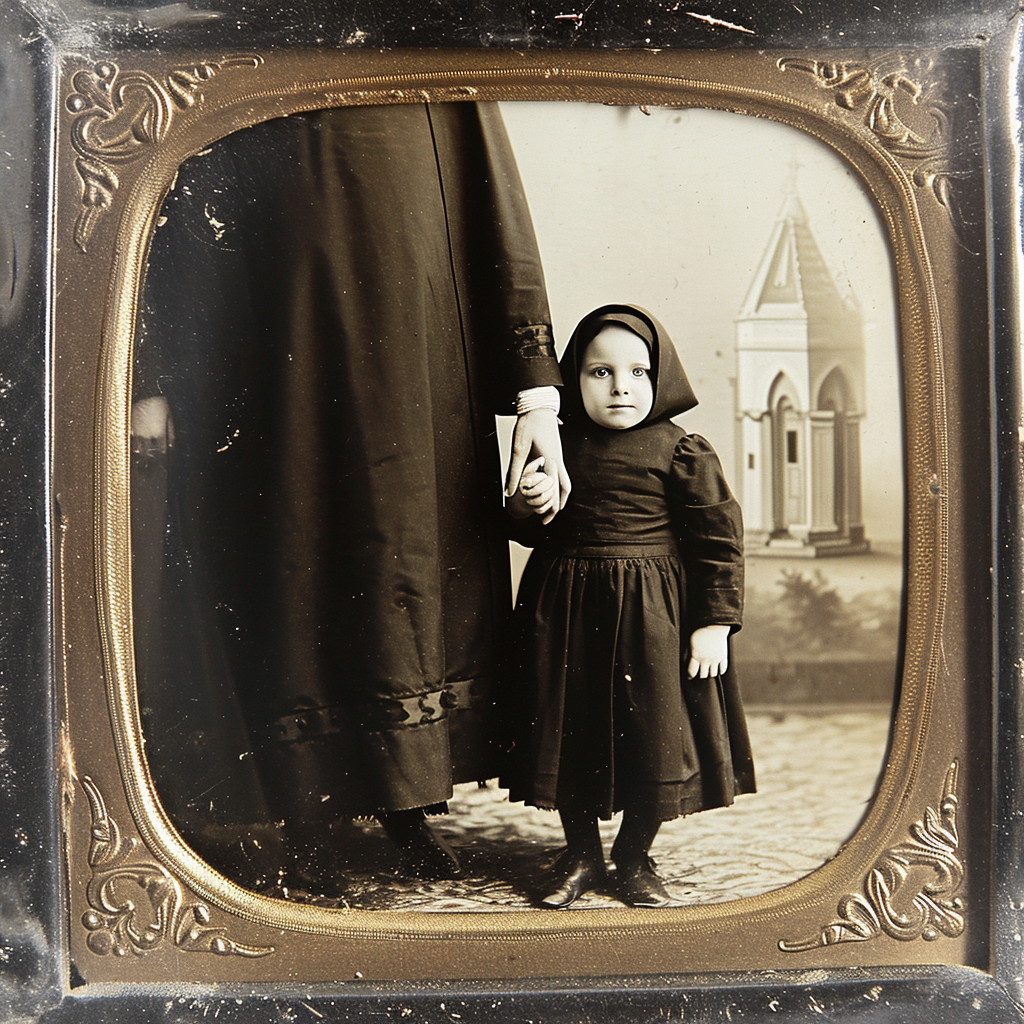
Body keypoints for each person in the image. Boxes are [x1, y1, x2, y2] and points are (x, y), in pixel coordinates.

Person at [130, 101, 567, 890]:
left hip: (416, 360)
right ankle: (305, 822)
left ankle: (408, 810)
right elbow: (171, 201)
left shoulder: (438, 54)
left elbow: (497, 210)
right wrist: (154, 376)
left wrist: (538, 399)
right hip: (267, 357)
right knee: (287, 564)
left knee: (402, 571)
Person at [503, 304, 755, 908]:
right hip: (564, 613)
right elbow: (524, 529)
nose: (621, 387)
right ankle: (581, 853)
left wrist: (714, 625)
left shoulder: (682, 451)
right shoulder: (554, 443)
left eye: (638, 372)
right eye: (600, 373)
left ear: (661, 376)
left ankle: (634, 856)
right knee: (569, 729)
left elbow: (720, 544)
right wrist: (530, 502)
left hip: (654, 620)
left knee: (654, 735)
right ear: (571, 379)